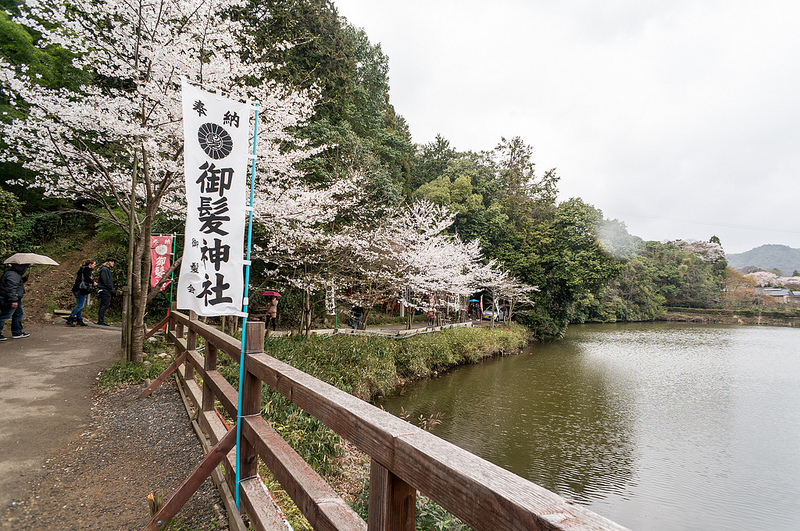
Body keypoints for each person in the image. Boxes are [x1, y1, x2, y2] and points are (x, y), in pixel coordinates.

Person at [0, 263, 31, 340]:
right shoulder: (13, 275)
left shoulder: (14, 274)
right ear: (21, 267)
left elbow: (16, 284)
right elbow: (10, 288)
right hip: (10, 299)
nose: (27, 268)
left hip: (14, 298)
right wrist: (13, 300)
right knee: (5, 316)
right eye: (26, 267)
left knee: (18, 314)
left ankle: (17, 332)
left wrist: (24, 279)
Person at [66, 259, 97, 327]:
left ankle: (79, 320)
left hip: (77, 289)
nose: (95, 265)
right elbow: (86, 278)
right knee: (80, 305)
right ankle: (70, 318)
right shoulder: (86, 270)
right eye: (94, 264)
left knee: (80, 305)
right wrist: (93, 282)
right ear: (90, 264)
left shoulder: (82, 269)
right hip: (80, 289)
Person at [95, 258, 115, 326]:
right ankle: (100, 320)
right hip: (104, 289)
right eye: (111, 262)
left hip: (106, 289)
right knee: (104, 304)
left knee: (104, 304)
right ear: (108, 262)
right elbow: (105, 281)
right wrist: (111, 288)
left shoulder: (106, 269)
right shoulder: (104, 269)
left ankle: (101, 320)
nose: (113, 263)